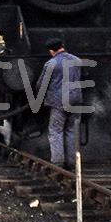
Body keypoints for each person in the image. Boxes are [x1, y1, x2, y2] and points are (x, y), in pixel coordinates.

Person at [37, 36, 83, 168]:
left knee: (56, 130)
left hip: (59, 102)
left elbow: (41, 84)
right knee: (71, 130)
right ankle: (72, 161)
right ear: (63, 46)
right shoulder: (77, 61)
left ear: (51, 51)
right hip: (76, 100)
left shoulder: (51, 64)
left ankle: (58, 162)